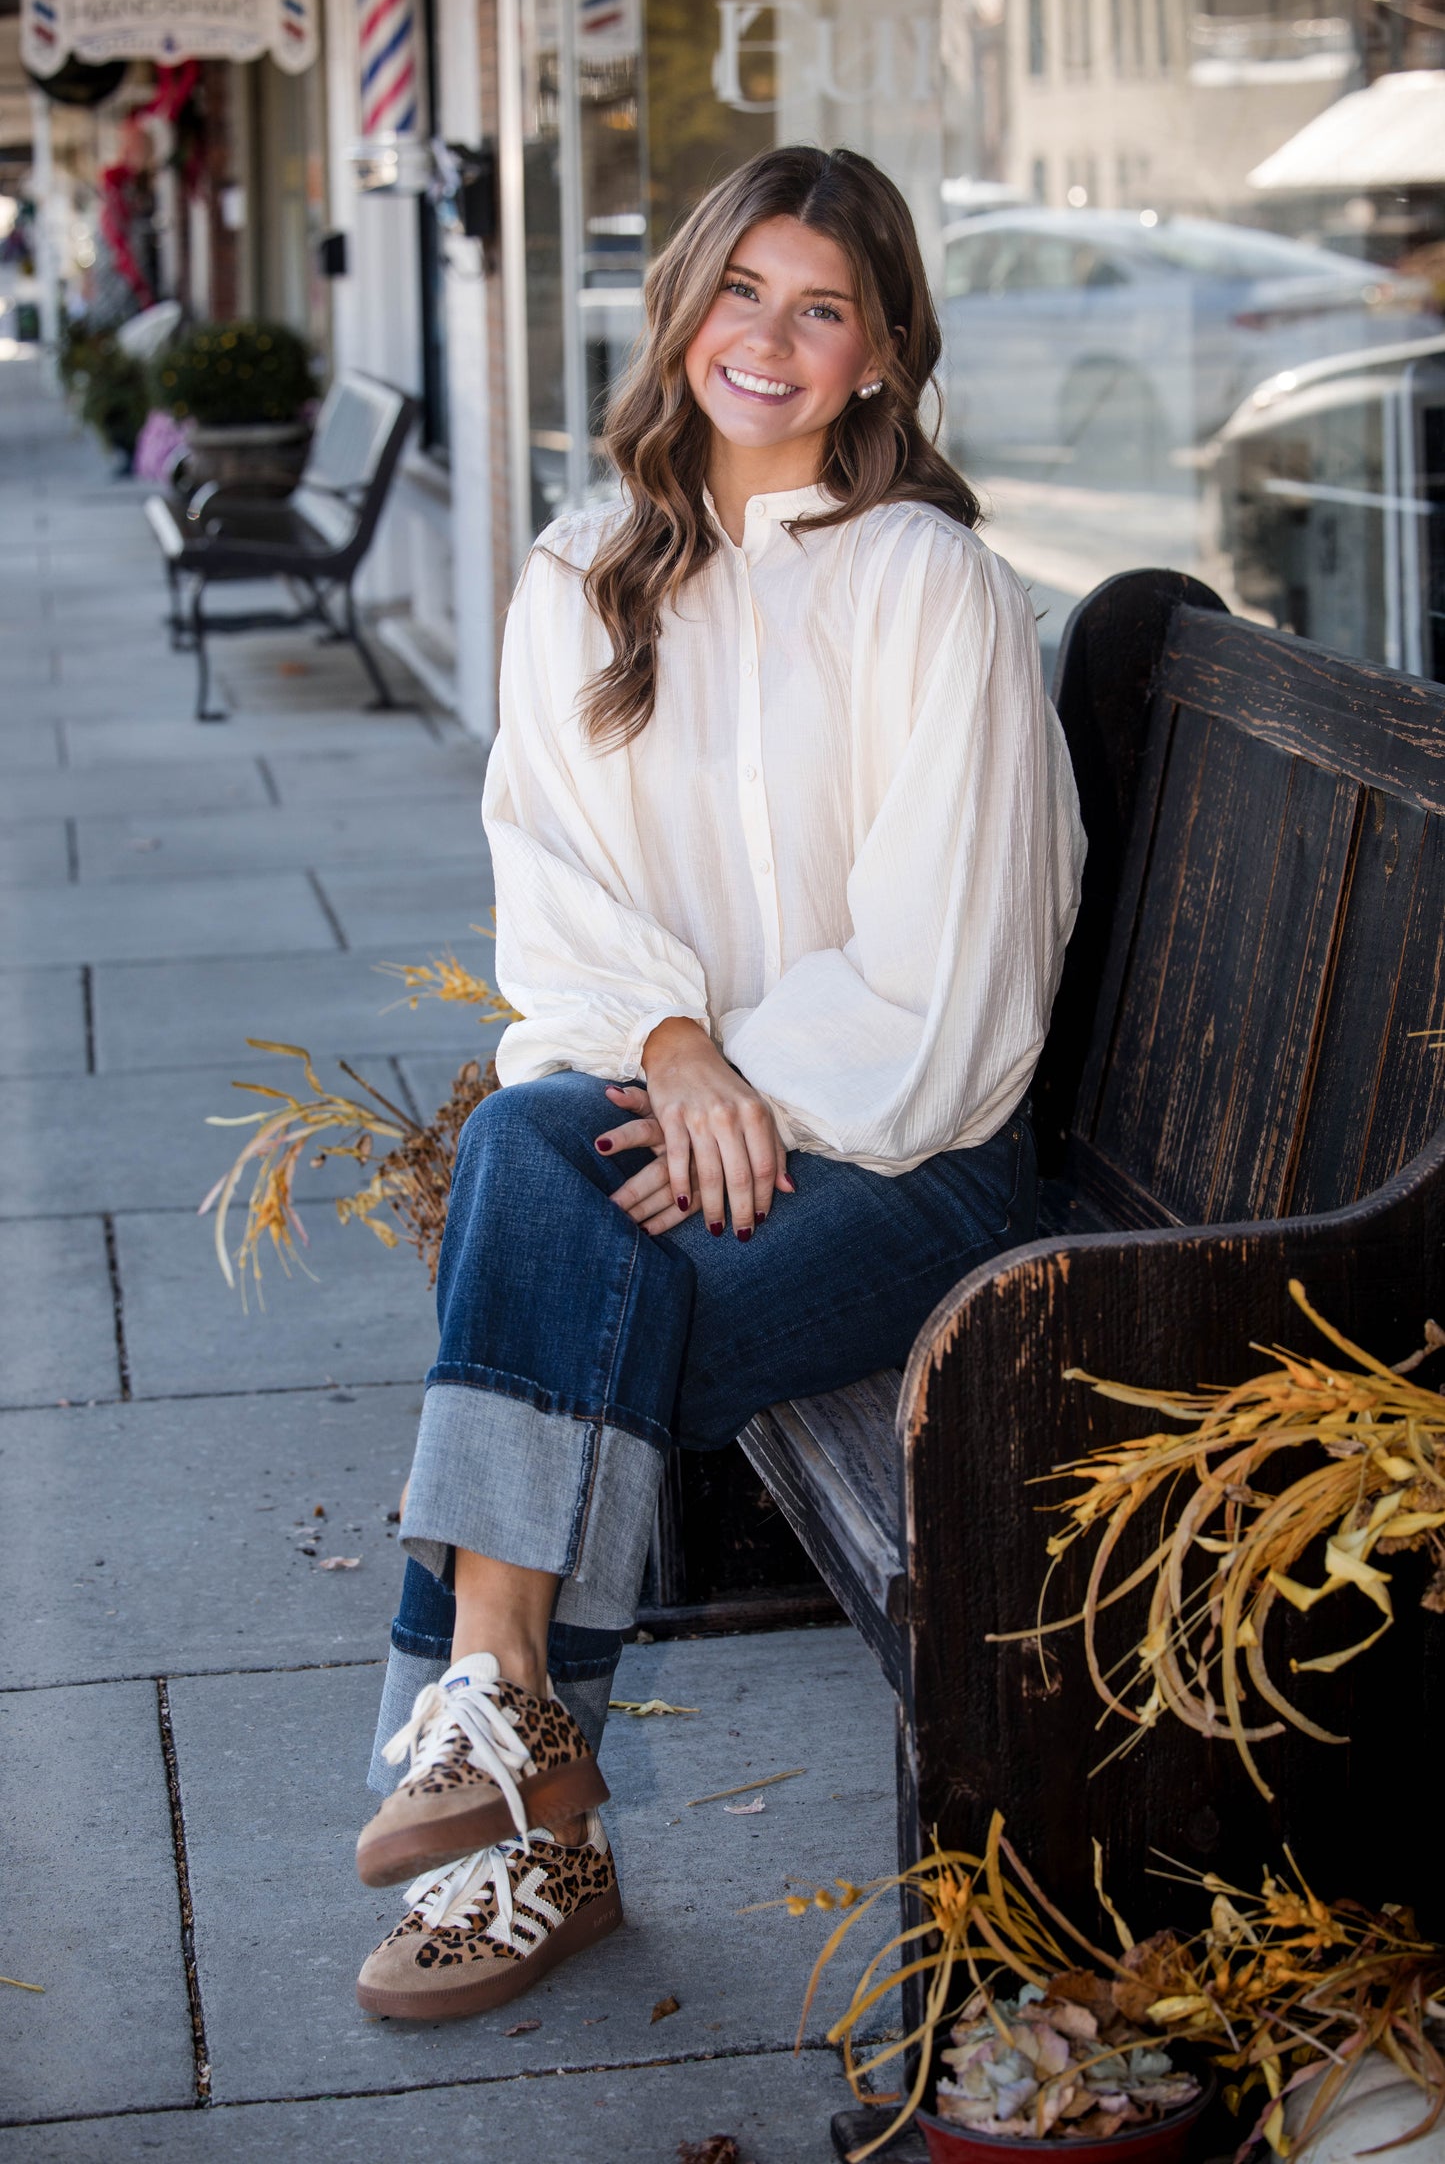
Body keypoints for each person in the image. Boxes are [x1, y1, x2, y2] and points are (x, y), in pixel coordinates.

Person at [352, 143, 1085, 2021]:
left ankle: (521, 1811)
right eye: (738, 291)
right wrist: (676, 1057)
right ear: (679, 310)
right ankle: (512, 1719)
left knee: (550, 1300)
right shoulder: (579, 570)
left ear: (878, 358)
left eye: (819, 307)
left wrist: (734, 1090)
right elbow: (559, 889)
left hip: (921, 1162)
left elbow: (956, 975)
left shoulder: (930, 588)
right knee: (533, 1139)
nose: (768, 338)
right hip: (697, 1122)